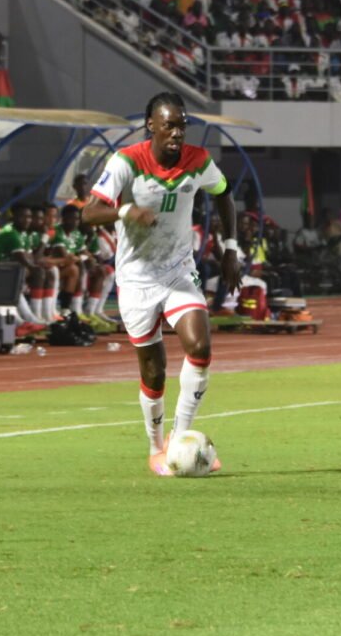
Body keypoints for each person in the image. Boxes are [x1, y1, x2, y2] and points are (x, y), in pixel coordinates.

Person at [83, 91, 241, 476]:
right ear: (151, 125)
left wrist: (231, 248)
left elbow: (224, 195)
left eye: (182, 125)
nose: (177, 133)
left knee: (200, 347)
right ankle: (156, 449)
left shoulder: (199, 161)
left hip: (177, 271)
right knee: (153, 372)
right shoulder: (126, 162)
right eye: (169, 125)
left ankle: (181, 439)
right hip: (136, 279)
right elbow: (89, 211)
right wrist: (126, 210)